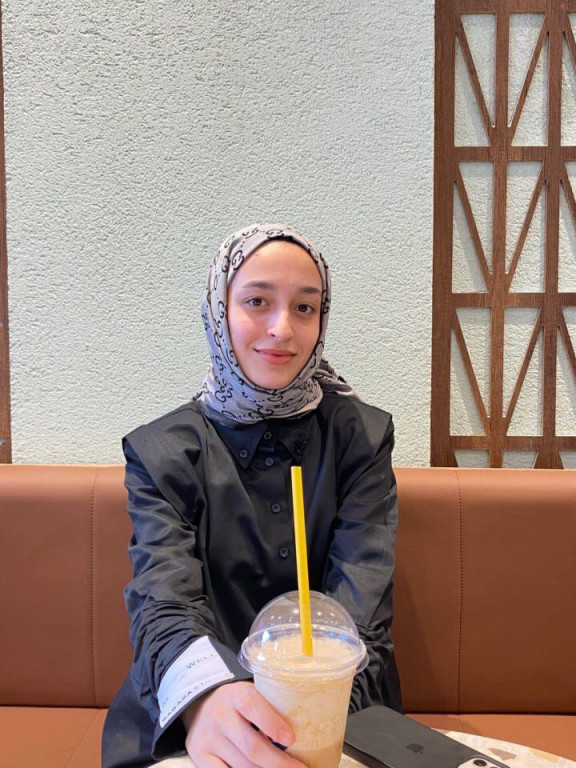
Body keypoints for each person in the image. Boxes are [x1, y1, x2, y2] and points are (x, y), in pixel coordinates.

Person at [102, 223, 402, 768]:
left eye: (305, 308)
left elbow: (363, 610)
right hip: (195, 710)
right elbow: (162, 602)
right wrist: (205, 700)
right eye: (257, 301)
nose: (282, 329)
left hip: (342, 702)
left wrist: (310, 716)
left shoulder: (360, 438)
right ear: (219, 310)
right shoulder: (163, 452)